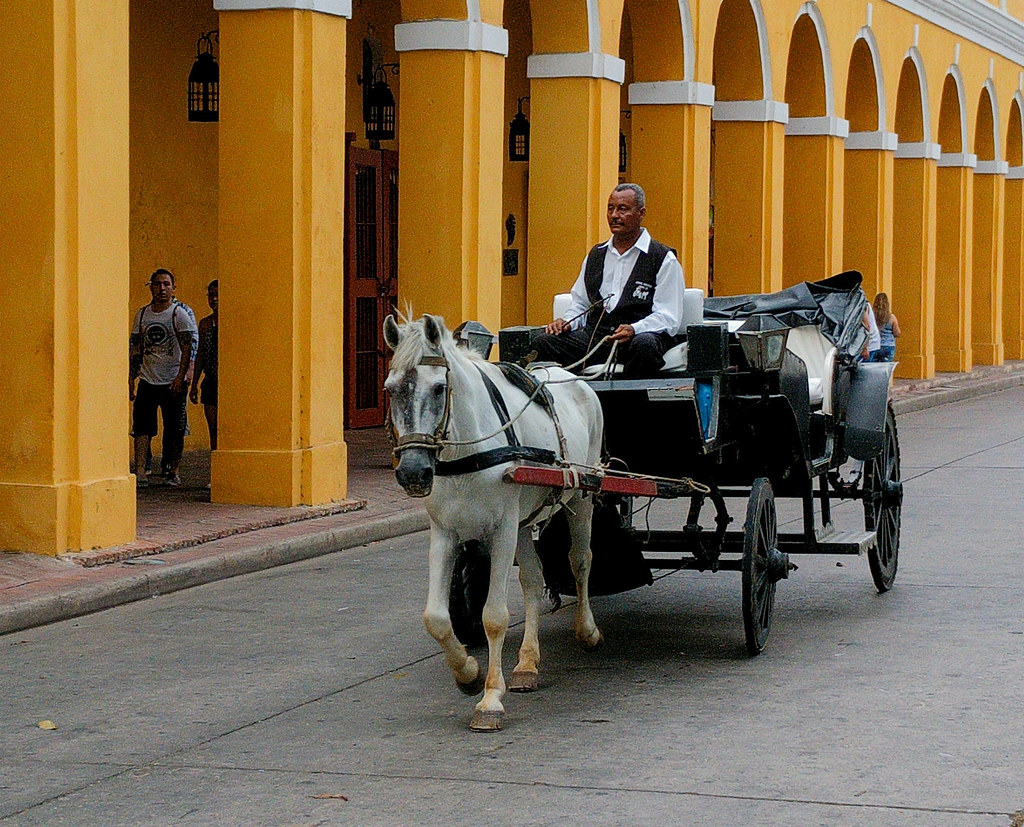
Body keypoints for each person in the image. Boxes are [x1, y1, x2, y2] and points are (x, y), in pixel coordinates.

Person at [531, 183, 686, 377]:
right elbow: (580, 303)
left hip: (638, 340)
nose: (614, 215)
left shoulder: (662, 258)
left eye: (622, 209)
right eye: (610, 208)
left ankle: (632, 403)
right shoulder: (596, 255)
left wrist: (634, 329)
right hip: (598, 339)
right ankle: (566, 401)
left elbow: (668, 316)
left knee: (645, 346)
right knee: (543, 342)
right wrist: (568, 322)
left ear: (641, 213)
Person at [129, 269, 198, 487]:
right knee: (141, 428)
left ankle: (172, 470)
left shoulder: (179, 314)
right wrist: (132, 378)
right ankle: (140, 470)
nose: (161, 289)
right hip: (148, 380)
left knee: (175, 428)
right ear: (150, 286)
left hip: (172, 381)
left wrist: (182, 377)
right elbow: (136, 348)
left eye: (166, 284)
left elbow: (187, 348)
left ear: (173, 288)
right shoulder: (142, 315)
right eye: (157, 284)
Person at [190, 279, 218, 451]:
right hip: (210, 380)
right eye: (211, 295)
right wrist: (194, 384)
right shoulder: (205, 324)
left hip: (228, 382)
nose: (214, 299)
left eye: (218, 295)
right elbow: (200, 354)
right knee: (213, 428)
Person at [872, 292, 901, 362]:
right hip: (888, 345)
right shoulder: (891, 317)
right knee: (886, 368)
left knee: (873, 369)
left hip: (875, 345)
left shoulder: (872, 316)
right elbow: (897, 333)